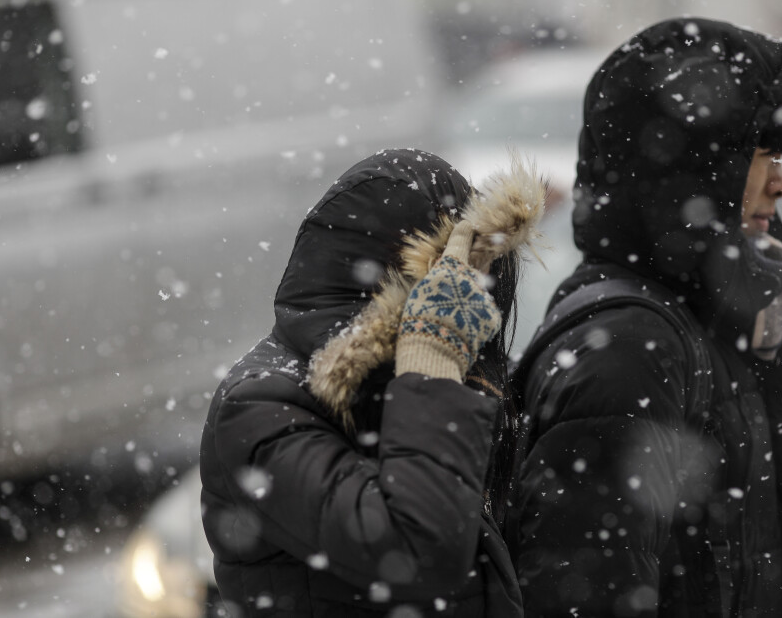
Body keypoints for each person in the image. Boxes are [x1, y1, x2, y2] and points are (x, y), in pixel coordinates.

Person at [505, 17, 782, 617]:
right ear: (693, 172)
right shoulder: (629, 349)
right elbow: (584, 595)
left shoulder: (722, 316)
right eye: (761, 156)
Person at [200, 148, 544, 617]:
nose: (474, 317)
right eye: (459, 283)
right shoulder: (260, 407)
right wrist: (432, 359)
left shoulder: (425, 388)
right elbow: (420, 552)